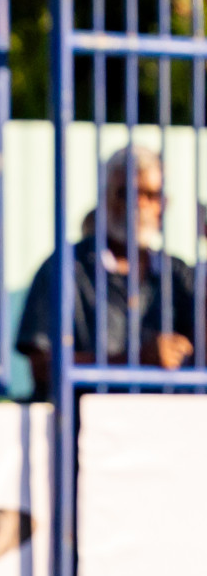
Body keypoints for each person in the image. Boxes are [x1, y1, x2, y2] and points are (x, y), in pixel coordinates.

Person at [18, 144, 198, 399]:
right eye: (126, 193)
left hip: (165, 418)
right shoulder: (65, 267)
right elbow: (43, 365)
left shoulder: (178, 274)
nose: (139, 204)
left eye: (151, 195)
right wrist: (134, 361)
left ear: (163, 205)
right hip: (80, 419)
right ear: (103, 198)